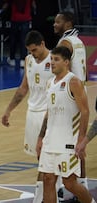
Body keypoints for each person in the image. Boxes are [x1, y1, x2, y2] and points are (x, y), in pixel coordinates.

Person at [36, 46, 95, 203]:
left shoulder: (73, 81)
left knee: (69, 183)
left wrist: (81, 139)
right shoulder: (49, 83)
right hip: (50, 140)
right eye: (51, 59)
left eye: (56, 59)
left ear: (66, 62)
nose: (52, 62)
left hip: (68, 142)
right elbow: (49, 113)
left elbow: (85, 112)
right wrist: (41, 137)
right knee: (48, 180)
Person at [2, 30, 54, 203]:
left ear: (42, 44)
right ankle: (54, 190)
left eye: (35, 50)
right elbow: (23, 88)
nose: (33, 54)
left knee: (45, 160)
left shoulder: (55, 60)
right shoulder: (29, 60)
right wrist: (8, 110)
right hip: (32, 113)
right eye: (30, 51)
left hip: (49, 115)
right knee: (41, 159)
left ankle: (41, 197)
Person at [53, 11, 88, 200]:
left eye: (58, 21)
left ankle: (63, 186)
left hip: (69, 94)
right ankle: (82, 183)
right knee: (78, 141)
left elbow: (60, 71)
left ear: (68, 23)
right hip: (80, 90)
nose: (54, 24)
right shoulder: (79, 41)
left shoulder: (64, 43)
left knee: (60, 138)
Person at [1, 0, 35, 68]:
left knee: (13, 40)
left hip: (15, 19)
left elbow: (6, 5)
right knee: (24, 40)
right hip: (26, 18)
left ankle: (12, 59)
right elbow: (33, 5)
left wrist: (1, 11)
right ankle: (23, 61)